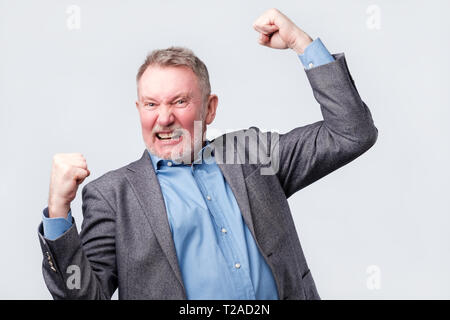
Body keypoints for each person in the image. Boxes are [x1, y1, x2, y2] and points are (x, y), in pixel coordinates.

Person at [38, 8, 378, 299]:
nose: (164, 117)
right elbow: (82, 295)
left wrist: (300, 43)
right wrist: (58, 211)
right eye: (151, 104)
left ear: (210, 109)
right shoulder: (113, 196)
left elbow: (351, 133)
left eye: (179, 101)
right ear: (138, 108)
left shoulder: (254, 154)